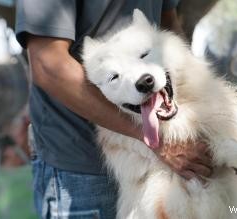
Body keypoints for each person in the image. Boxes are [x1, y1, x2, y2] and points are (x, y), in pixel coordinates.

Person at [15, 1, 213, 218]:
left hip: (167, 164)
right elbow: (48, 65)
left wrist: (212, 110)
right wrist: (159, 141)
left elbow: (167, 24)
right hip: (84, 171)